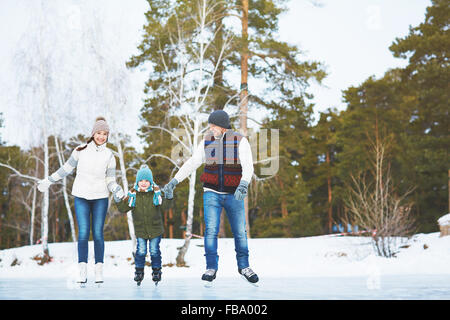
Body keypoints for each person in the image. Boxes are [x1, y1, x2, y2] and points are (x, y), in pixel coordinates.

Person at [162, 109, 259, 284]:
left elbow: (248, 166)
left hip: (233, 193)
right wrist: (174, 181)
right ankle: (211, 267)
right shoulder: (206, 141)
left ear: (222, 126)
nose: (210, 129)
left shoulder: (240, 141)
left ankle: (244, 266)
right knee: (211, 231)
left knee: (240, 232)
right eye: (210, 125)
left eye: (213, 125)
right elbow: (192, 163)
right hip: (211, 192)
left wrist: (244, 183)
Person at [37, 117, 125, 284]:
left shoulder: (109, 156)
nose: (101, 137)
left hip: (100, 197)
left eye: (105, 134)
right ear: (93, 134)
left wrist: (117, 189)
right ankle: (82, 271)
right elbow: (65, 170)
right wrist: (49, 180)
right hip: (81, 197)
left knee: (98, 234)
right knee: (83, 233)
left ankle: (99, 271)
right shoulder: (80, 150)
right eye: (99, 133)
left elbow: (110, 180)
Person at [115, 164, 172, 286]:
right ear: (137, 182)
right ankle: (139, 272)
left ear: (151, 181)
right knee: (141, 251)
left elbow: (166, 207)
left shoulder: (156, 193)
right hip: (141, 229)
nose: (144, 183)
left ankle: (156, 271)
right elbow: (124, 209)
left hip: (155, 229)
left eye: (147, 180)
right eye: (141, 180)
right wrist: (118, 200)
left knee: (154, 251)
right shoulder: (133, 195)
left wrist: (169, 196)